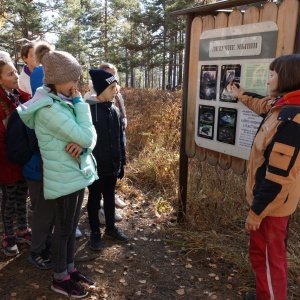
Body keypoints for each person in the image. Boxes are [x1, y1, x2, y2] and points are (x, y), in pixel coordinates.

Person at [18, 41, 98, 298]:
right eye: (73, 80)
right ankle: (59, 277)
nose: (77, 85)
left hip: (75, 174)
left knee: (71, 226)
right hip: (63, 178)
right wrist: (79, 103)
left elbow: (89, 139)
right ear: (58, 80)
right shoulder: (48, 108)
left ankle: (70, 269)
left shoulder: (60, 99)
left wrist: (85, 148)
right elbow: (86, 136)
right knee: (63, 230)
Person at [230, 54, 300, 300]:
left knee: (270, 258)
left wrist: (257, 211)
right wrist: (240, 95)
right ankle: (265, 293)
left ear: (288, 77)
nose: (268, 79)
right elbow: (263, 105)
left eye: (272, 74)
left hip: (272, 206)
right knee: (264, 253)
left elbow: (278, 176)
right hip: (271, 201)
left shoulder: (292, 120)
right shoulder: (282, 106)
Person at [87, 69, 128, 251]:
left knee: (110, 196)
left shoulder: (115, 111)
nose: (116, 91)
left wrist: (121, 162)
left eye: (116, 87)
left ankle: (110, 228)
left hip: (112, 164)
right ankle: (95, 232)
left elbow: (120, 138)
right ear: (101, 90)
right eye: (112, 87)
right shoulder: (89, 111)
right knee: (95, 198)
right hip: (95, 166)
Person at [0, 57, 31, 257]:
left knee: (22, 194)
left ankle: (23, 228)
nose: (16, 76)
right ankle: (8, 235)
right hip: (6, 159)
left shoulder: (20, 95)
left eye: (16, 72)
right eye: (10, 74)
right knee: (8, 197)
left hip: (22, 155)